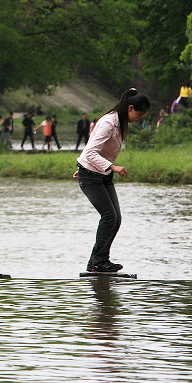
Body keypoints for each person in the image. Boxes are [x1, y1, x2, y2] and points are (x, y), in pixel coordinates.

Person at [74, 89, 150, 273]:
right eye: (139, 115)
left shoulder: (121, 123)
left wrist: (103, 167)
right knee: (109, 217)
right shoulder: (109, 122)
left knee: (116, 219)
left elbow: (99, 150)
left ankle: (99, 261)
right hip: (91, 176)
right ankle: (97, 262)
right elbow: (90, 151)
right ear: (130, 108)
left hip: (102, 174)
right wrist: (112, 166)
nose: (139, 119)